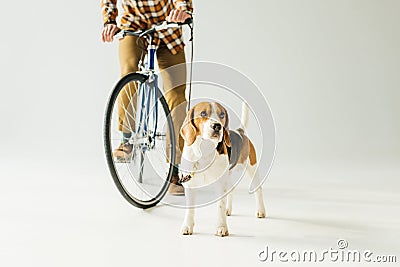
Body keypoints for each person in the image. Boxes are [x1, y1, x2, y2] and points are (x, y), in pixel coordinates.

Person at [101, 0, 193, 195]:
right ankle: (126, 140)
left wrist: (182, 11)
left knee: (176, 94)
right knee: (128, 74)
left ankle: (174, 172)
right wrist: (109, 20)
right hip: (133, 27)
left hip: (168, 28)